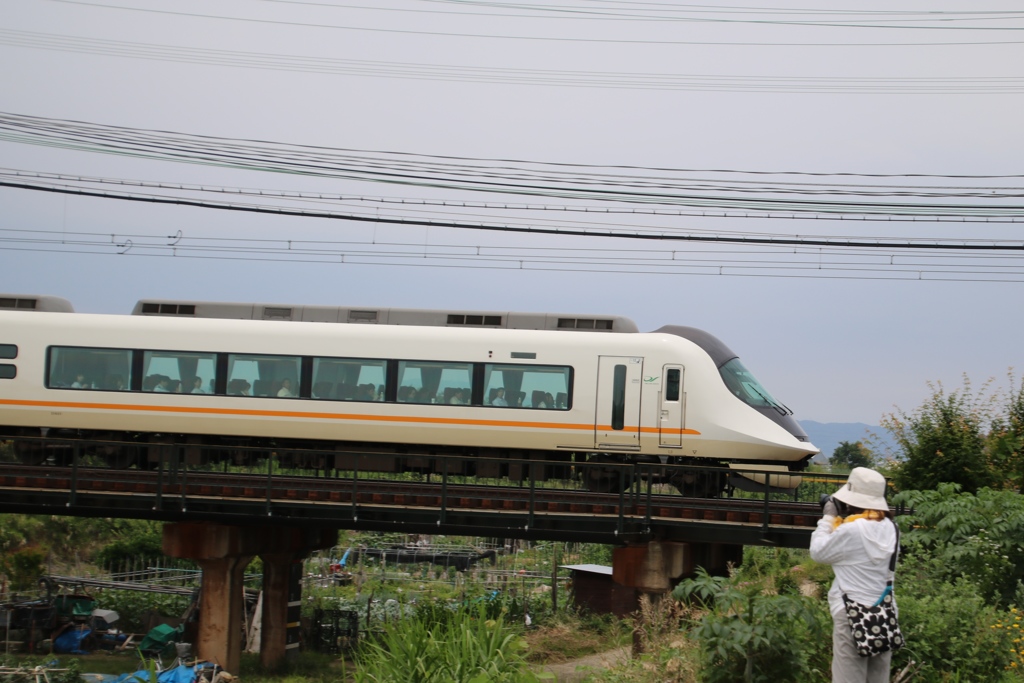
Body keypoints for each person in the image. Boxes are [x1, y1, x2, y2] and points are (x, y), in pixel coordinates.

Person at [809, 467, 899, 683]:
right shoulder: (892, 528)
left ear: (852, 501)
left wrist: (828, 518)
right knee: (878, 679)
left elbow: (818, 551)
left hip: (853, 613)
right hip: (885, 612)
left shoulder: (851, 530)